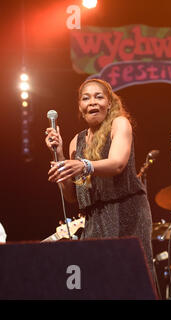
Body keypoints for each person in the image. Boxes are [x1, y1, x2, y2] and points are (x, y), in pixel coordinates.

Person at [44, 79, 155, 279]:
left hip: (126, 211)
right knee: (100, 283)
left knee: (131, 280)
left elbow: (117, 164)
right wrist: (60, 155)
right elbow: (72, 196)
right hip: (94, 220)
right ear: (80, 106)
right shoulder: (75, 143)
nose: (93, 102)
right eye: (86, 98)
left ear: (109, 103)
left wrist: (85, 165)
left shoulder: (119, 124)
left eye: (99, 97)